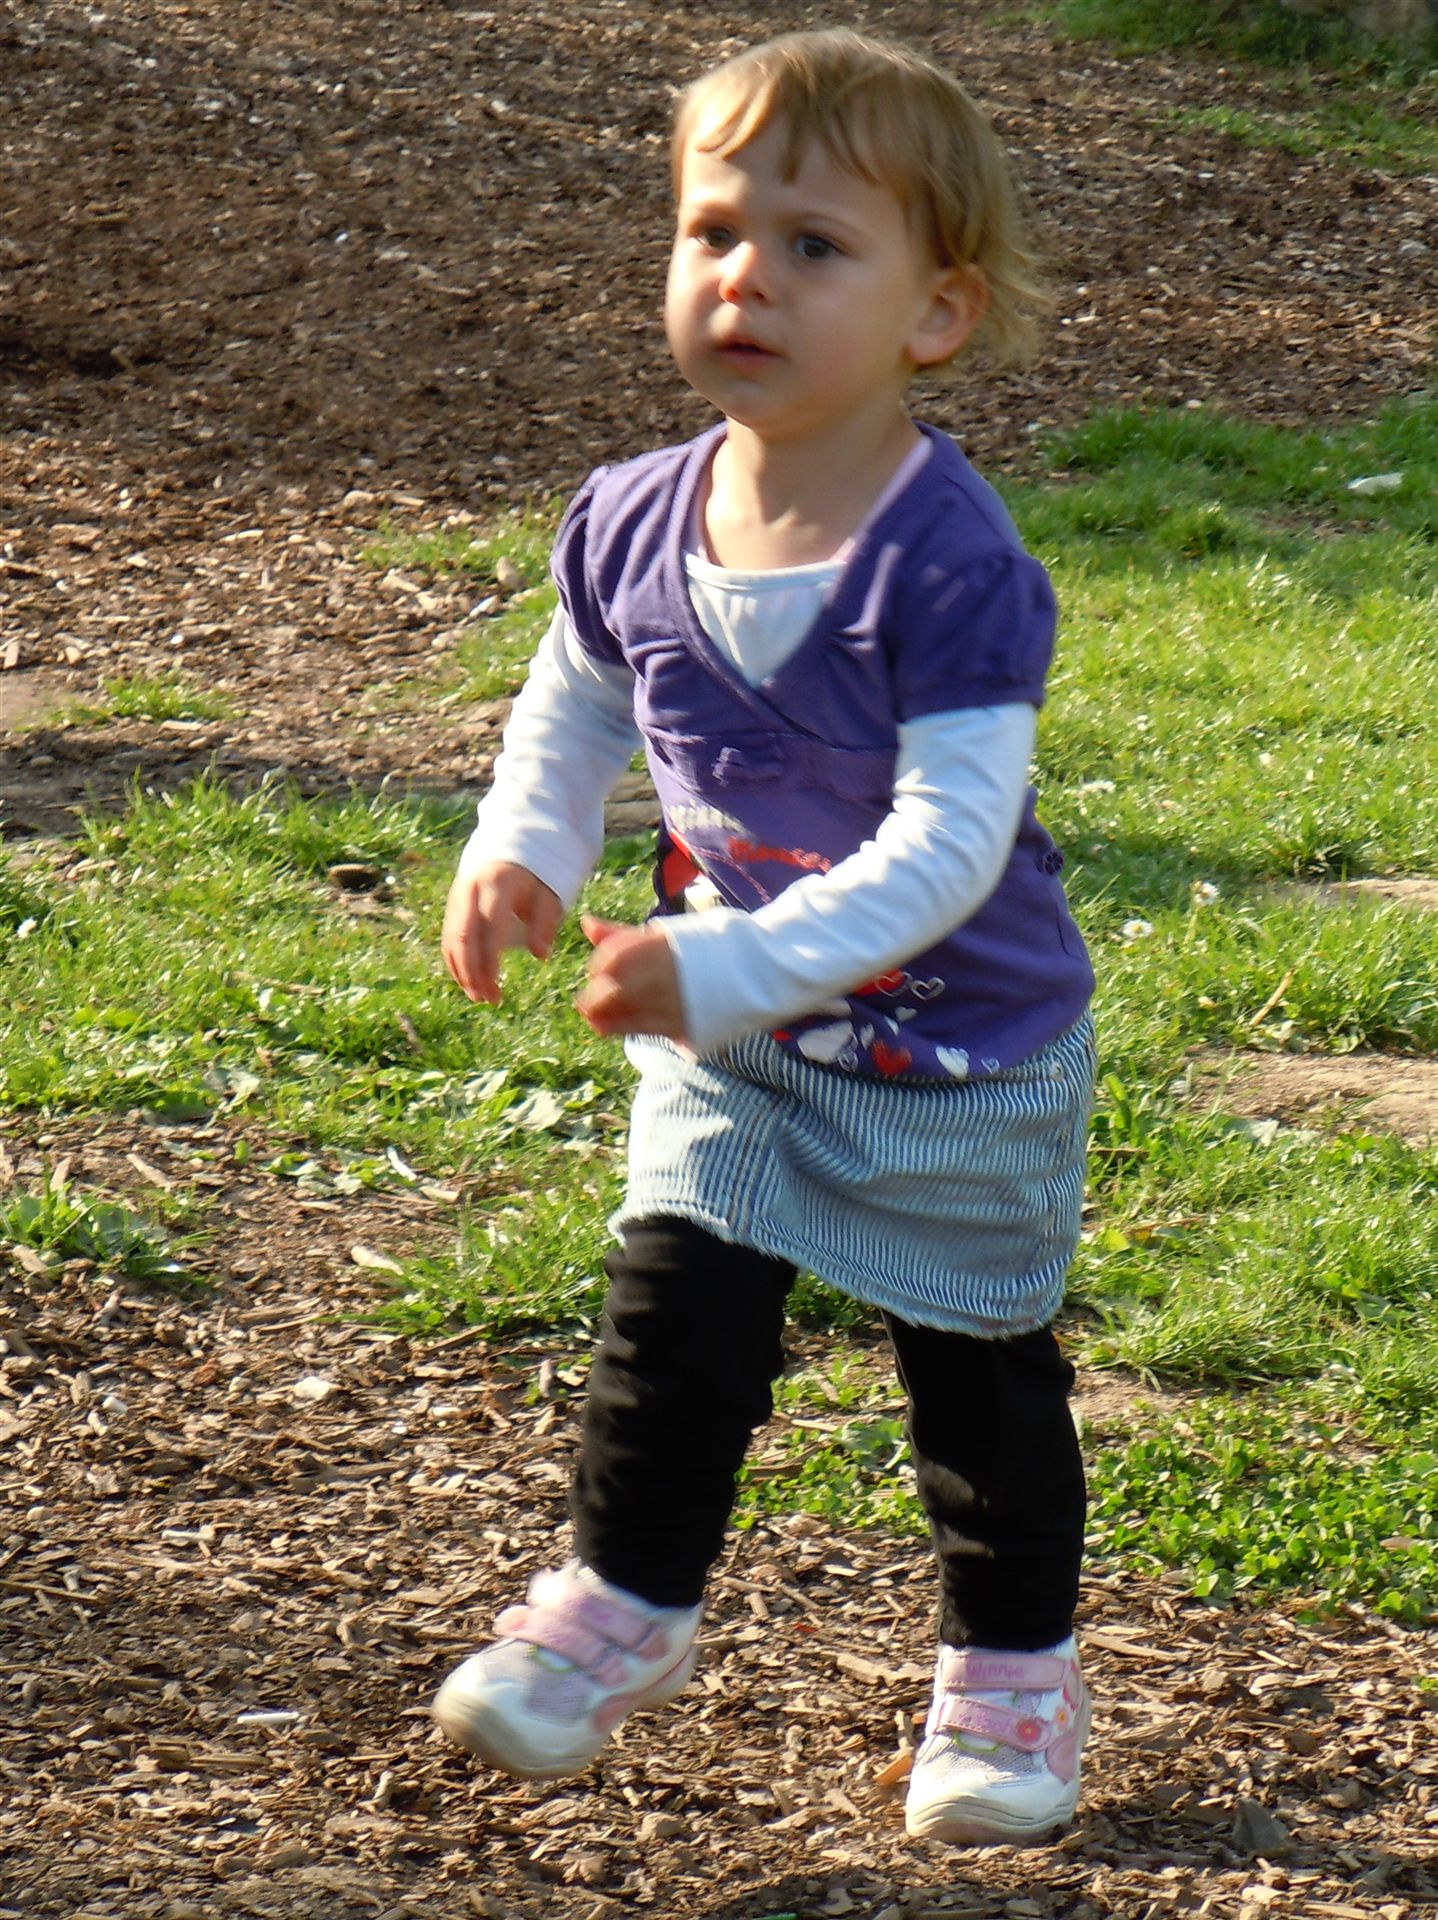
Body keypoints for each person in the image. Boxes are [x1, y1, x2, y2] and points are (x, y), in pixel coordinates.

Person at [435, 27, 1096, 1848]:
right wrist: (523, 845)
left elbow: (949, 846)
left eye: (814, 245)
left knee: (973, 1373)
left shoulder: (945, 566)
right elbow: (580, 698)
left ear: (934, 314)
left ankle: (1012, 1680)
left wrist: (717, 964)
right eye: (714, 231)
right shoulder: (634, 517)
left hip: (960, 1051)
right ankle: (623, 1605)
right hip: (740, 1035)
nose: (748, 278)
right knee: (679, 1302)